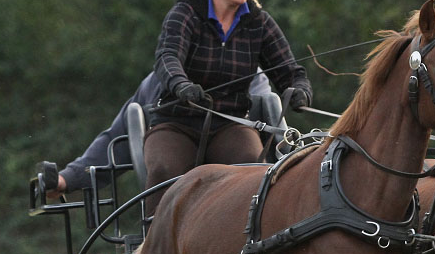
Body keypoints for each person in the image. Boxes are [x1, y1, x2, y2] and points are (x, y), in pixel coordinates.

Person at [144, 0, 312, 214]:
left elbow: (290, 70)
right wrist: (182, 85)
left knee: (253, 168)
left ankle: (252, 245)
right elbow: (167, 57)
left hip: (229, 124)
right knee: (166, 169)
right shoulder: (185, 12)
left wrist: (300, 88)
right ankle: (152, 245)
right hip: (176, 122)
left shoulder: (258, 21)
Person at [46, 69, 273, 199]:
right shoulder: (159, 81)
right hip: (180, 203)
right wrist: (69, 178)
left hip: (240, 207)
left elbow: (274, 134)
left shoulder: (253, 80)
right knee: (165, 166)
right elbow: (119, 137)